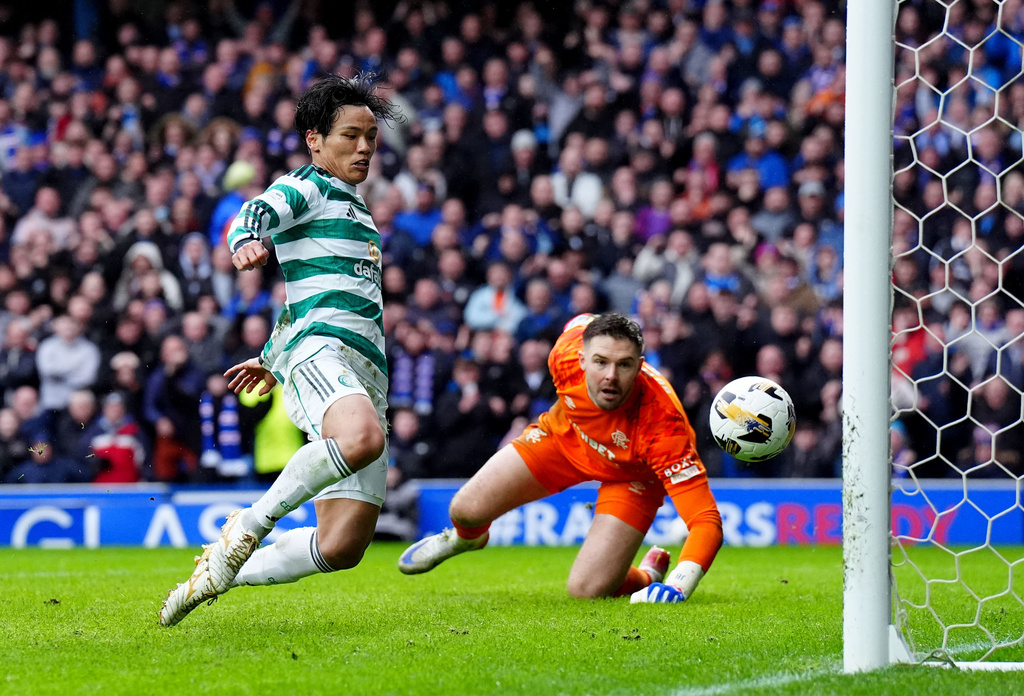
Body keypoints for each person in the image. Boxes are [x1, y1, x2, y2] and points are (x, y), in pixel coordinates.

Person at [159, 73, 402, 626]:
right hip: (325, 354)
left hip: (363, 370)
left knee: (343, 547)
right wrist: (244, 241)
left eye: (370, 136)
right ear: (315, 139)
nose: (363, 147)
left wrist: (272, 355)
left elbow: (306, 300)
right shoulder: (309, 185)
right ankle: (247, 527)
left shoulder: (357, 208)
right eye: (350, 136)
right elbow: (255, 212)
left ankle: (218, 572)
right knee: (361, 438)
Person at [398, 313, 723, 604]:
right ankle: (464, 540)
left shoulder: (664, 427)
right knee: (464, 510)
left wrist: (679, 586)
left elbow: (705, 521)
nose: (611, 375)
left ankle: (646, 577)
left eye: (624, 364)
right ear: (581, 360)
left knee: (586, 590)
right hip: (563, 440)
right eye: (600, 362)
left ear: (640, 366)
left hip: (632, 476)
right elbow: (581, 321)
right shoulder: (563, 355)